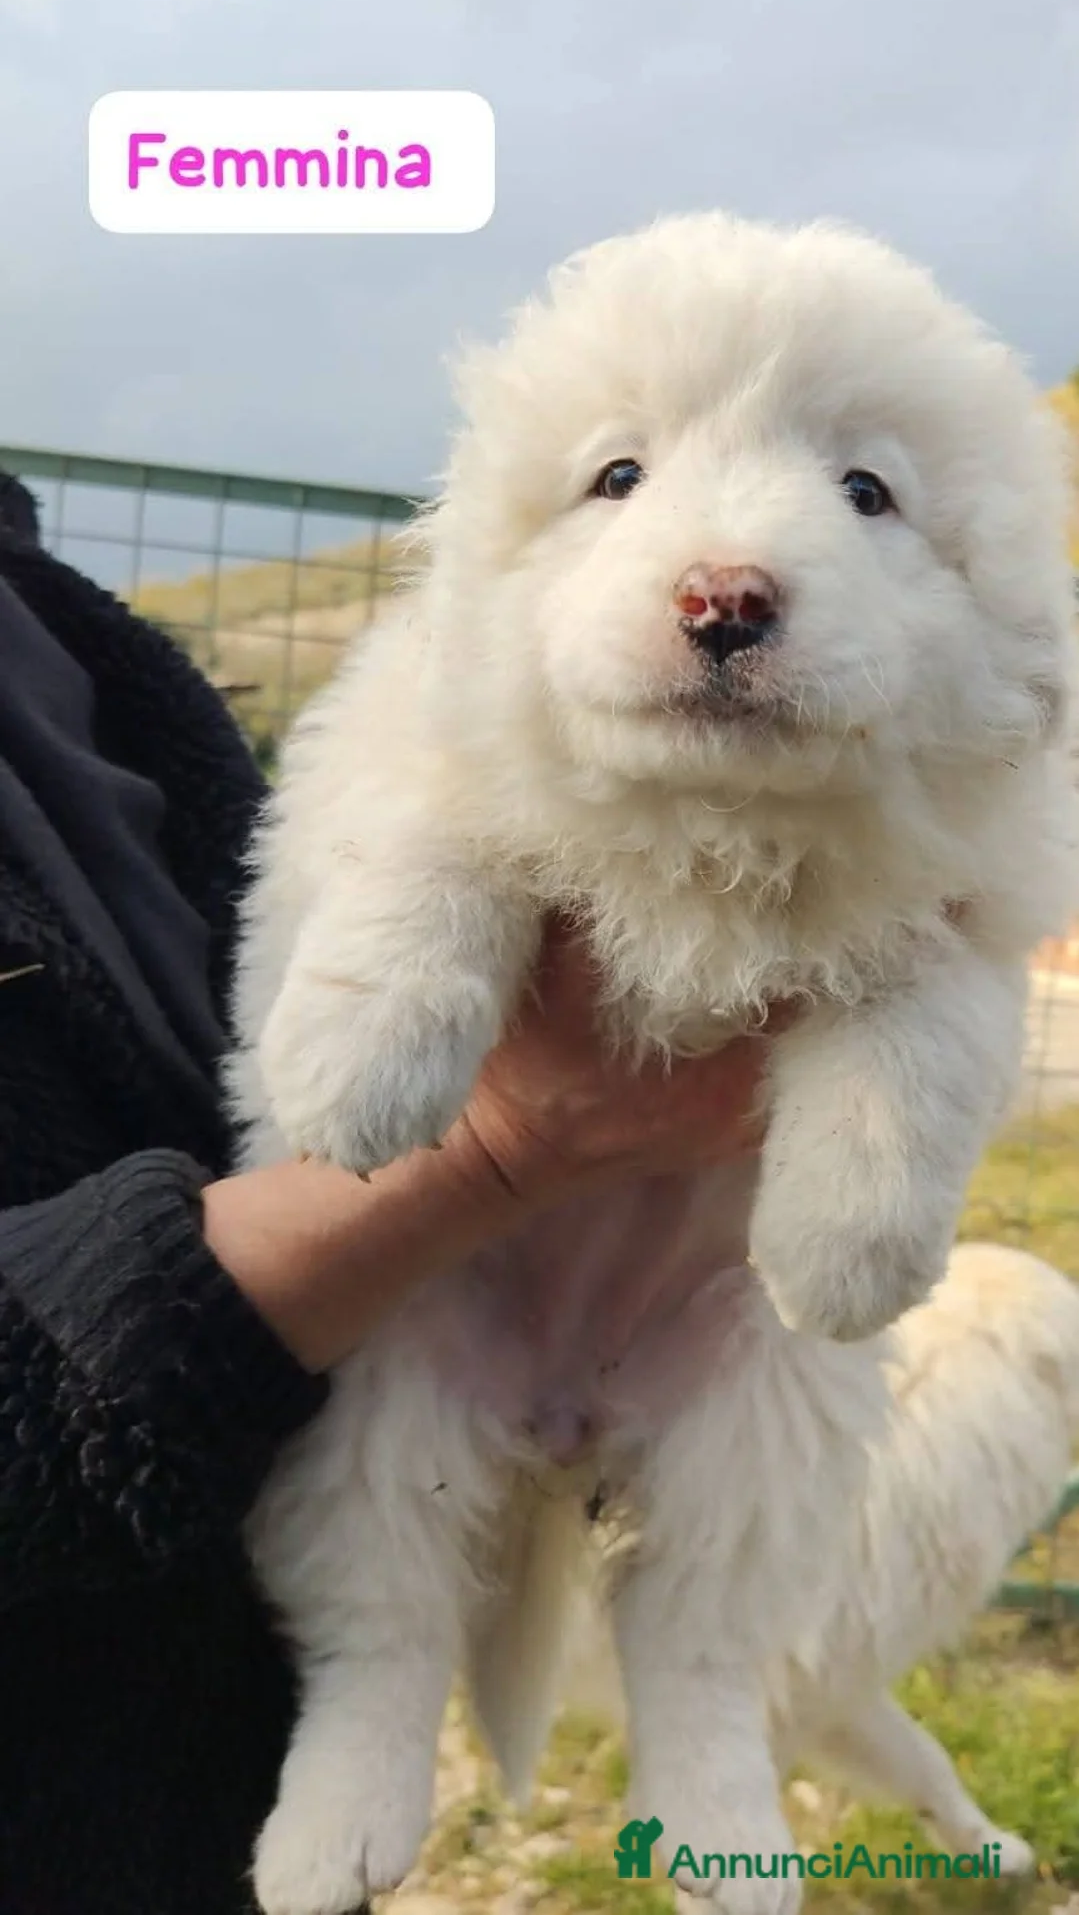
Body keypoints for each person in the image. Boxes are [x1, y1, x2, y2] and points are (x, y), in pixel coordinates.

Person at [0, 473, 776, 1915]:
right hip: (67, 1814)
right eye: (619, 472)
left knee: (774, 1405)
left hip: (218, 1757)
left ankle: (702, 1701)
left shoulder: (73, 627)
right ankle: (389, 1669)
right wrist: (491, 1154)